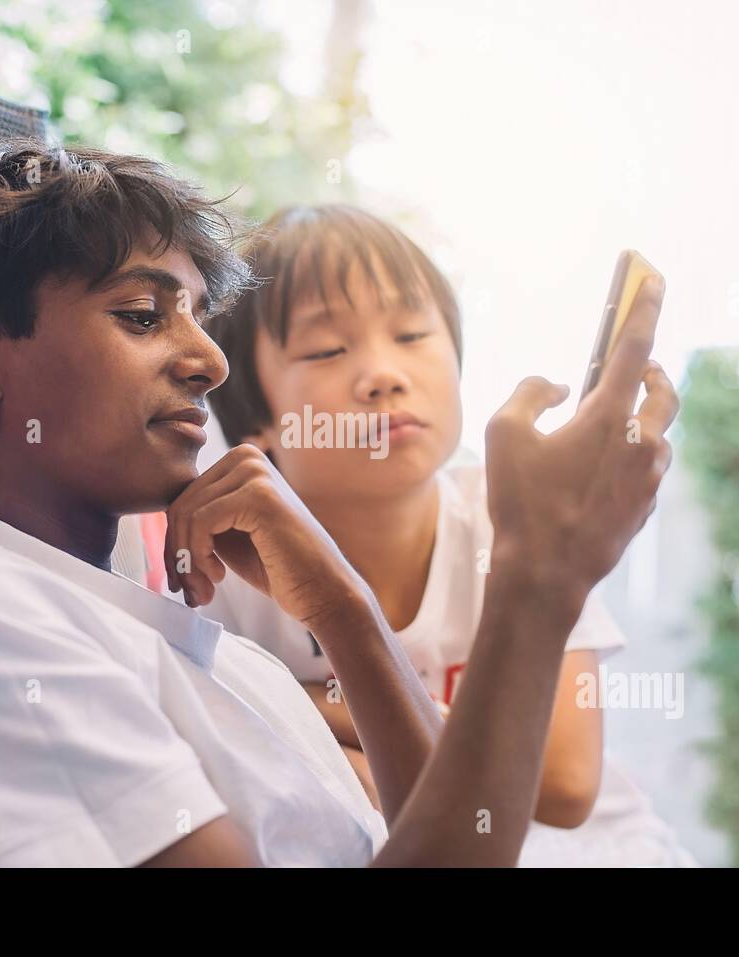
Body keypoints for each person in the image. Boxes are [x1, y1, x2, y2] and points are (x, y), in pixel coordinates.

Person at [0, 140, 678, 866]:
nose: (210, 362)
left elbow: (461, 833)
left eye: (199, 317)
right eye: (141, 314)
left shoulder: (158, 623)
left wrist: (342, 607)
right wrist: (540, 581)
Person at [198, 205, 694, 866]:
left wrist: (321, 709)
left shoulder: (514, 514)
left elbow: (569, 783)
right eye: (327, 348)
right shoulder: (228, 571)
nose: (384, 373)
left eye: (411, 334)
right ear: (254, 420)